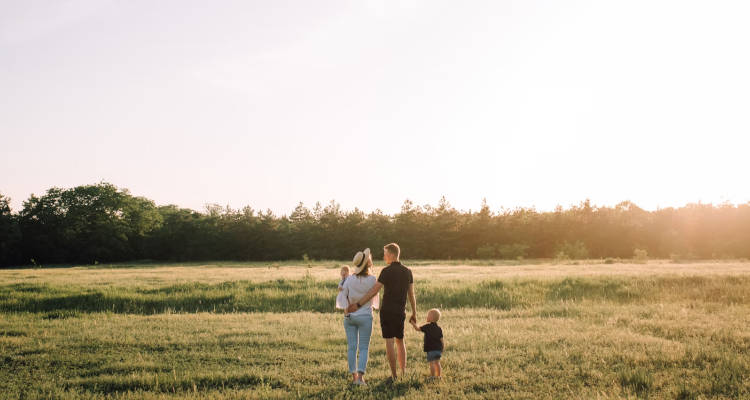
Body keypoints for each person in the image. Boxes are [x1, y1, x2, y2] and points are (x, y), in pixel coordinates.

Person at [347, 243, 416, 381]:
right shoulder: (408, 271)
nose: (384, 256)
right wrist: (414, 312)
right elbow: (411, 294)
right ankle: (403, 373)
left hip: (387, 311)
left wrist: (359, 304)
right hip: (400, 311)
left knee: (389, 342)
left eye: (385, 253)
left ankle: (394, 375)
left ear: (391, 254)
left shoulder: (386, 271)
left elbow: (374, 291)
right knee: (400, 341)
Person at [337, 249, 379, 385]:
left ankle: (354, 377)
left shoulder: (349, 279)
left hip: (350, 317)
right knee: (364, 348)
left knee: (351, 347)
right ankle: (360, 378)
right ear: (368, 263)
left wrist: (347, 312)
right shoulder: (373, 280)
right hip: (365, 317)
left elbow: (343, 297)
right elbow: (375, 301)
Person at [409, 308, 444, 380]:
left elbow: (417, 329)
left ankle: (433, 376)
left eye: (428, 315)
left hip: (431, 350)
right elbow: (441, 339)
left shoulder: (427, 327)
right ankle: (439, 376)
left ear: (431, 318)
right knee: (437, 363)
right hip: (438, 349)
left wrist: (413, 323)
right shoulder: (439, 328)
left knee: (432, 363)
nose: (427, 317)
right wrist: (442, 348)